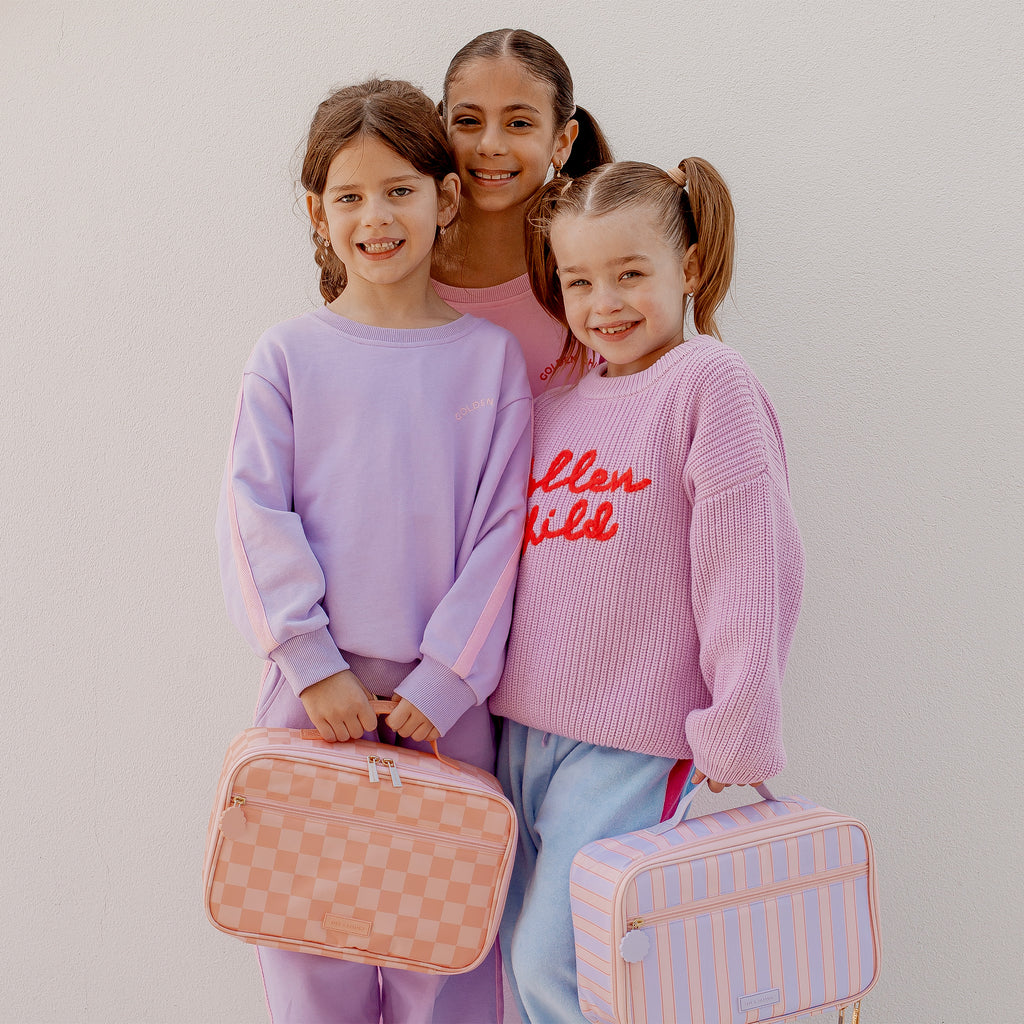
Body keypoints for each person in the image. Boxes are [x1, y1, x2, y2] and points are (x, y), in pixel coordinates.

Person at [215, 78, 532, 1024]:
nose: (377, 217)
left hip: (446, 712)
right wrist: (313, 666)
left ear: (446, 197)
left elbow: (503, 537)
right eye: (350, 196)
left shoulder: (490, 360)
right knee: (309, 950)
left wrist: (445, 683)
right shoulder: (287, 355)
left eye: (399, 190)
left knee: (447, 956)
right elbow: (252, 518)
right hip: (312, 703)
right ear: (318, 213)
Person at [489, 158, 806, 1023]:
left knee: (558, 965)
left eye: (631, 274)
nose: (606, 303)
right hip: (522, 734)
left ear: (689, 266)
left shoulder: (708, 383)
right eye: (580, 280)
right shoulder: (557, 402)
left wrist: (738, 728)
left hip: (630, 744)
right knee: (522, 970)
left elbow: (749, 566)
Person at [432, 28, 613, 395]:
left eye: (519, 123)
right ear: (442, 129)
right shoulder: (404, 272)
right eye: (468, 121)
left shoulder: (598, 277)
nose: (490, 145)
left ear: (562, 142)